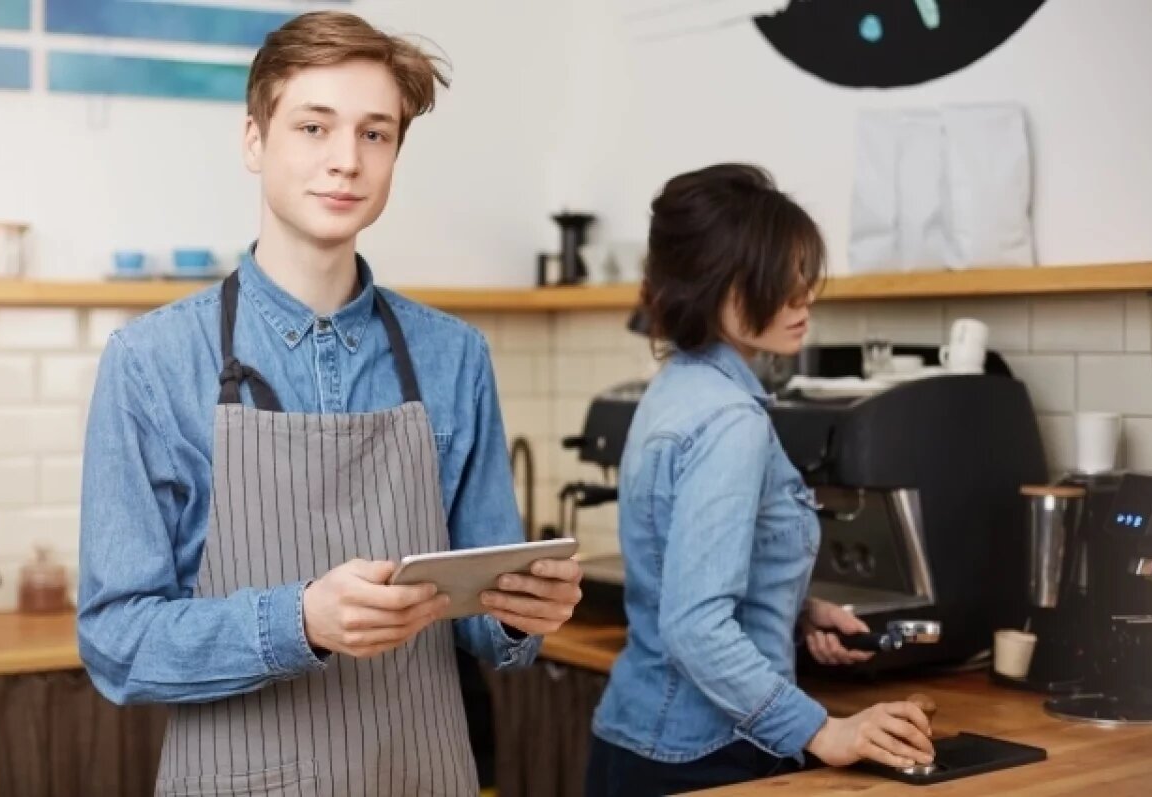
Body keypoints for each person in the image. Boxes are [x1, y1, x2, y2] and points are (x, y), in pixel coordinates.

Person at [77, 12, 582, 797]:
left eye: (375, 134)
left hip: (424, 777)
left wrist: (525, 610)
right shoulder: (151, 363)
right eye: (314, 126)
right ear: (255, 140)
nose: (345, 160)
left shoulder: (454, 357)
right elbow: (115, 643)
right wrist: (298, 621)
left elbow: (487, 618)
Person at [586, 163, 934, 796]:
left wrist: (793, 613)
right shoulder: (729, 420)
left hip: (644, 739)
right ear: (712, 285)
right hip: (709, 756)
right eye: (778, 278)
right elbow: (694, 627)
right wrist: (823, 730)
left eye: (802, 274)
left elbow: (687, 578)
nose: (801, 296)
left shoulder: (677, 390)